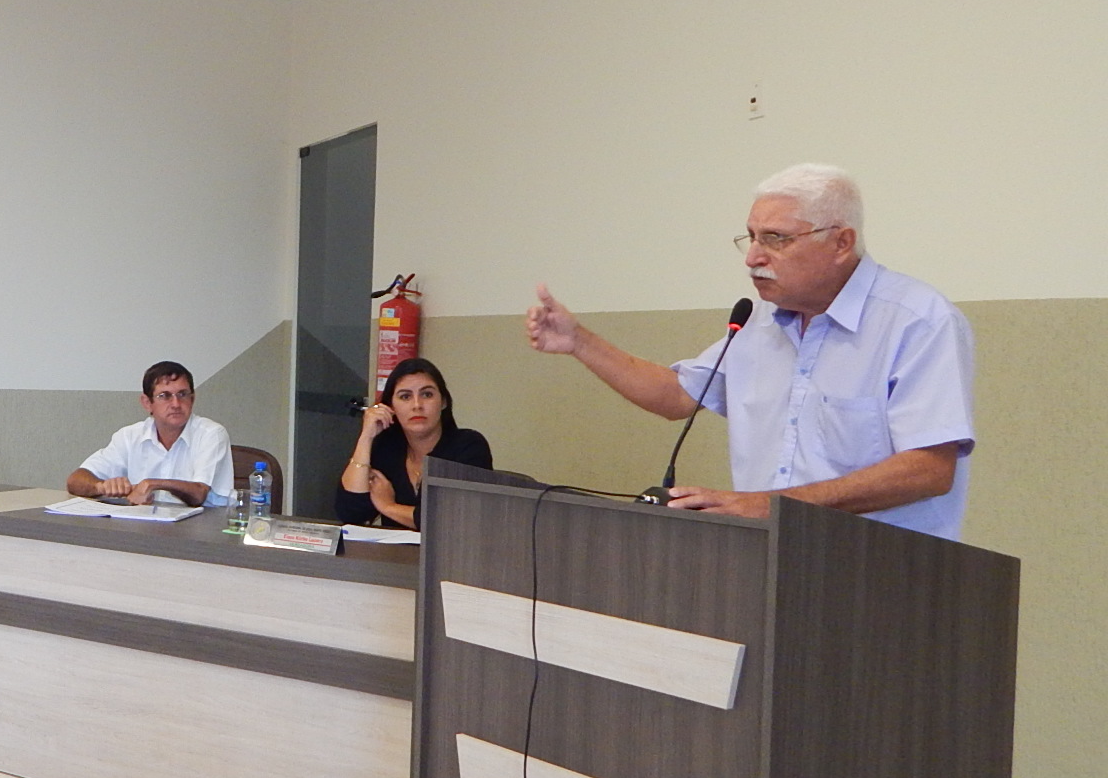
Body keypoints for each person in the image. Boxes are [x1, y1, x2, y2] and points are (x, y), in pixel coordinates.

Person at [526, 163, 973, 539]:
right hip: (770, 561)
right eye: (751, 237)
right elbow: (676, 396)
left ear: (841, 242)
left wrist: (771, 506)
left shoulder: (917, 321)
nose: (753, 257)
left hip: (883, 574)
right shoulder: (759, 324)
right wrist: (579, 341)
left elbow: (929, 469)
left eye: (776, 239)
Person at [337, 356, 492, 529]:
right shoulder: (386, 449)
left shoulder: (469, 446)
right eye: (405, 397)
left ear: (443, 402)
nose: (417, 405)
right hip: (395, 548)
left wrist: (388, 507)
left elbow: (454, 519)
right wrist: (366, 437)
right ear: (391, 407)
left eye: (427, 394)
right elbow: (351, 513)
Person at [68, 361, 233, 507]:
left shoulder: (212, 434)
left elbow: (198, 494)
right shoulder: (129, 436)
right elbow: (75, 480)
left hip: (204, 525)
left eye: (182, 394)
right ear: (147, 403)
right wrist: (102, 486)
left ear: (192, 399)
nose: (176, 404)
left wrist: (152, 484)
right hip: (146, 524)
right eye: (165, 396)